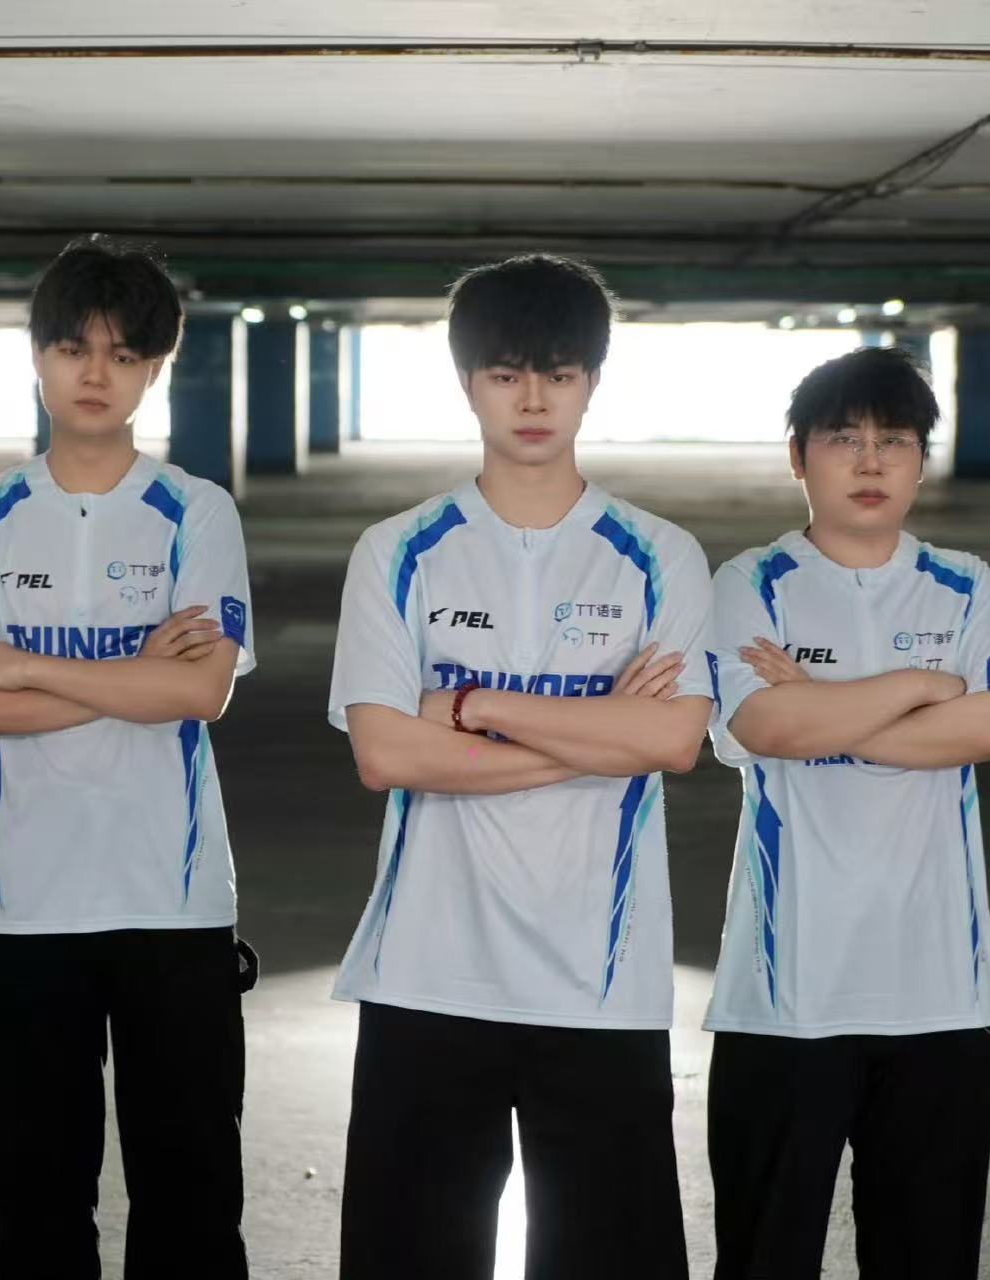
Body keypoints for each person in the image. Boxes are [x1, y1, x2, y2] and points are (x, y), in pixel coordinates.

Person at [326, 253, 713, 1279]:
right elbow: (383, 752)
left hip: (602, 984)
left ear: (592, 381)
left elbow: (671, 741)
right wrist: (597, 734)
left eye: (559, 373)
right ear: (467, 383)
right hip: (425, 973)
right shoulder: (397, 551)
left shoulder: (660, 554)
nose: (533, 399)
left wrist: (473, 709)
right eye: (505, 374)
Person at [0, 235, 256, 1279]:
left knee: (191, 1206)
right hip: (24, 907)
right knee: (33, 1207)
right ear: (37, 355)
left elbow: (198, 692)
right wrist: (128, 674)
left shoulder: (196, 511)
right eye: (73, 348)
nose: (95, 373)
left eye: (122, 353)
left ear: (155, 367)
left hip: (175, 902)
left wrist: (21, 667)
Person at [703, 345, 990, 1278]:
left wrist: (824, 706)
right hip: (783, 997)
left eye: (896, 441)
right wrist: (924, 686)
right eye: (844, 439)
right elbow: (765, 724)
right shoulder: (750, 582)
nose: (871, 461)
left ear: (922, 460)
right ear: (797, 456)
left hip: (941, 997)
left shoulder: (966, 583)